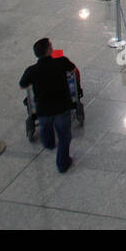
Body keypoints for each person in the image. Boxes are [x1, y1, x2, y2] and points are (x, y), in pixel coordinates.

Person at [19, 38, 77, 173]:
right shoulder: (61, 61)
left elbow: (22, 85)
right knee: (64, 136)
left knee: (46, 128)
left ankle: (49, 144)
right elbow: (73, 69)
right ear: (49, 50)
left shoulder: (31, 70)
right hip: (62, 107)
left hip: (43, 110)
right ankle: (62, 164)